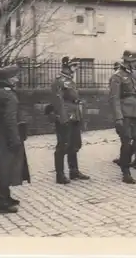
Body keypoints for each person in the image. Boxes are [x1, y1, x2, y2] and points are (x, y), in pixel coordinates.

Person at [0, 64, 30, 213]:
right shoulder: (8, 95)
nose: (17, 79)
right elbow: (10, 119)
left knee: (2, 166)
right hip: (6, 135)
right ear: (9, 79)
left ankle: (5, 196)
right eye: (15, 76)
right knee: (6, 167)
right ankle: (2, 202)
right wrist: (14, 139)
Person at [49, 56, 90, 184]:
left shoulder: (70, 80)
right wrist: (63, 117)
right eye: (74, 66)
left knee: (75, 143)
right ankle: (60, 175)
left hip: (74, 114)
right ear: (66, 66)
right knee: (63, 145)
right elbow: (58, 100)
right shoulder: (59, 80)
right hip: (65, 115)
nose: (76, 68)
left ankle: (74, 171)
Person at [108, 50, 136, 184]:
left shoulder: (134, 74)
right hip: (125, 114)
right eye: (135, 61)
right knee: (127, 143)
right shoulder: (117, 77)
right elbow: (114, 98)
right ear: (128, 62)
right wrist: (118, 117)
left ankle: (125, 161)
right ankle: (126, 171)